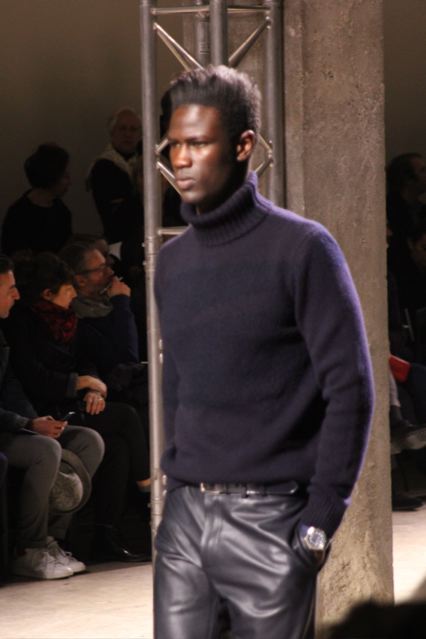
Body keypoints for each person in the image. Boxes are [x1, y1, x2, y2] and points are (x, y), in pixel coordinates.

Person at [153, 65, 374, 639]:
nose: (181, 159)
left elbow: (350, 388)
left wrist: (319, 521)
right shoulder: (172, 264)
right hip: (184, 523)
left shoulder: (302, 249)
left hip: (272, 522)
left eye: (198, 143)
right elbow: (178, 386)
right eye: (173, 144)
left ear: (243, 144)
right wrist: (175, 492)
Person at [5, 253, 150, 562]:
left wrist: (92, 387)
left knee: (115, 445)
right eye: (67, 288)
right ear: (48, 294)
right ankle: (148, 494)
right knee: (125, 417)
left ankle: (97, 535)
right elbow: (32, 378)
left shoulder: (68, 320)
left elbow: (90, 359)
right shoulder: (22, 325)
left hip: (67, 404)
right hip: (44, 407)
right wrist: (77, 384)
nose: (73, 293)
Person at [0, 254, 104, 579]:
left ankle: (51, 540)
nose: (16, 295)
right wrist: (28, 425)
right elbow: (33, 378)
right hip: (7, 427)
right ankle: (29, 549)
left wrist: (35, 421)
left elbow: (11, 386)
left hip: (19, 421)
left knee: (88, 441)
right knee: (45, 450)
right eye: (9, 288)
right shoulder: (20, 325)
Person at [59, 241, 149, 430]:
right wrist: (121, 302)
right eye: (101, 269)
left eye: (108, 264)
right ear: (80, 280)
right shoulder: (76, 319)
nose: (110, 272)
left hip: (129, 385)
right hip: (108, 391)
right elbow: (128, 358)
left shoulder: (111, 302)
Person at [87, 107, 143, 274]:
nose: (128, 134)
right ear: (112, 133)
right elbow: (118, 215)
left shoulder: (147, 160)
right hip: (119, 244)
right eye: (122, 129)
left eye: (133, 129)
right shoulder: (104, 167)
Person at [1, 144, 72, 257]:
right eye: (65, 176)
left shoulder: (61, 211)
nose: (69, 182)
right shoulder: (19, 213)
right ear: (51, 176)